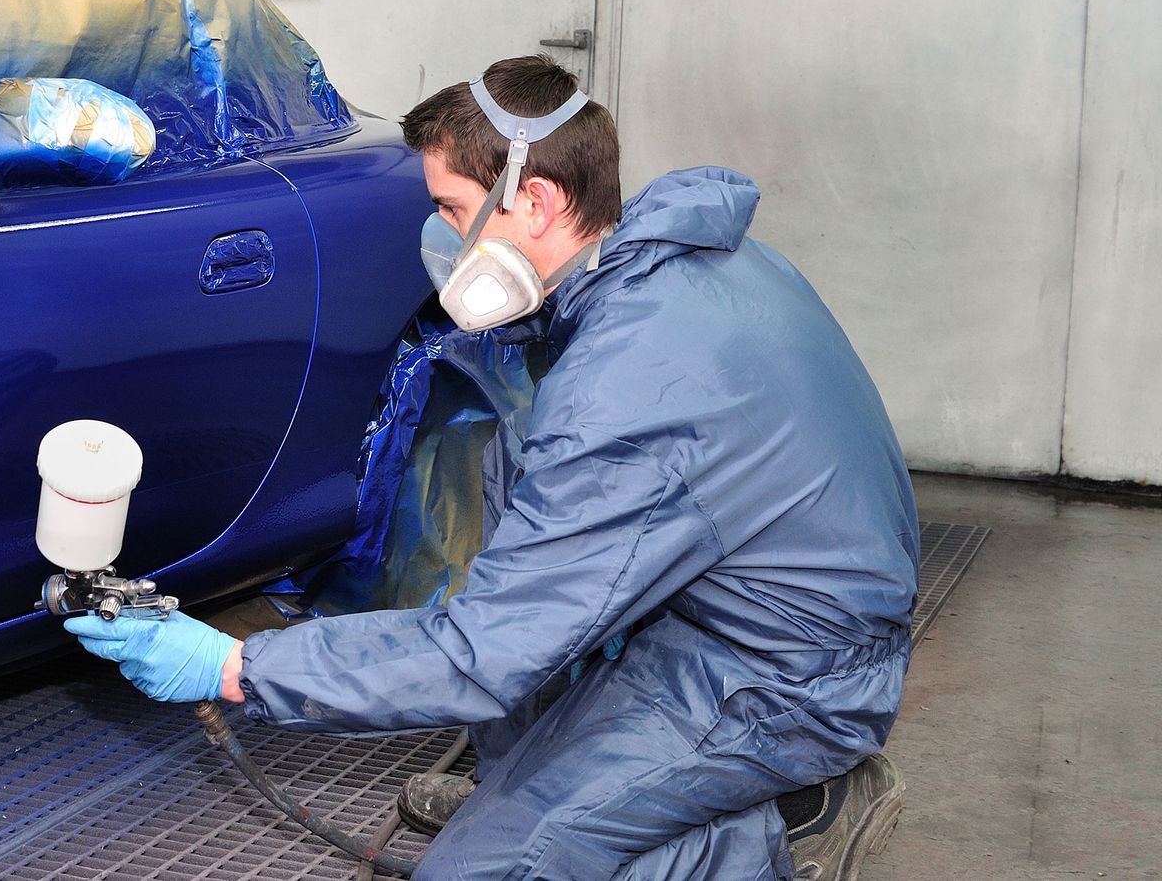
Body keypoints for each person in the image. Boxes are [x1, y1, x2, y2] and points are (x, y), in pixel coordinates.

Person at [68, 55, 919, 881]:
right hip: (725, 610)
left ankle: (776, 827)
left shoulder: (631, 381)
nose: (440, 237)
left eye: (452, 206)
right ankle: (543, 790)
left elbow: (486, 651)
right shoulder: (689, 267)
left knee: (494, 865)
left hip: (779, 680)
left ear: (536, 201)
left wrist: (235, 667)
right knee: (520, 469)